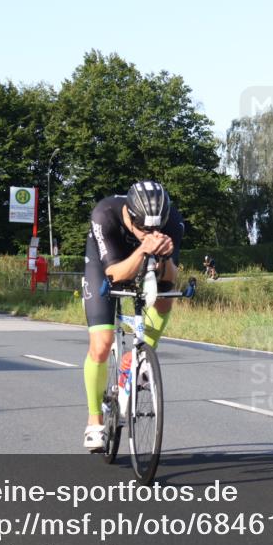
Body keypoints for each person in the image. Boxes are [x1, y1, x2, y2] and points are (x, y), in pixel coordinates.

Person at [81, 181, 184, 450]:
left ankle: (141, 355)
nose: (151, 233)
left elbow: (171, 278)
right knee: (102, 344)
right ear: (129, 214)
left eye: (156, 229)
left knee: (165, 296)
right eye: (144, 229)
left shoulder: (172, 221)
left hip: (145, 260)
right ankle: (95, 420)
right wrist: (143, 248)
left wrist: (166, 256)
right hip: (107, 264)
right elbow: (115, 274)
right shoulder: (105, 215)